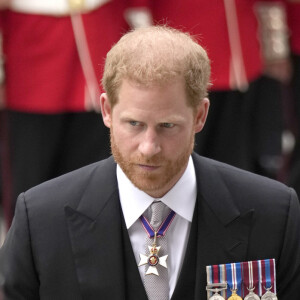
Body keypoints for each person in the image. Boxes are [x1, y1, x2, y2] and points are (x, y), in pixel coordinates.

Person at [0, 26, 299, 300]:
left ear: (200, 116)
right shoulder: (40, 220)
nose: (149, 148)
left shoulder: (273, 215)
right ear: (106, 110)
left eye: (167, 126)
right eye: (134, 124)